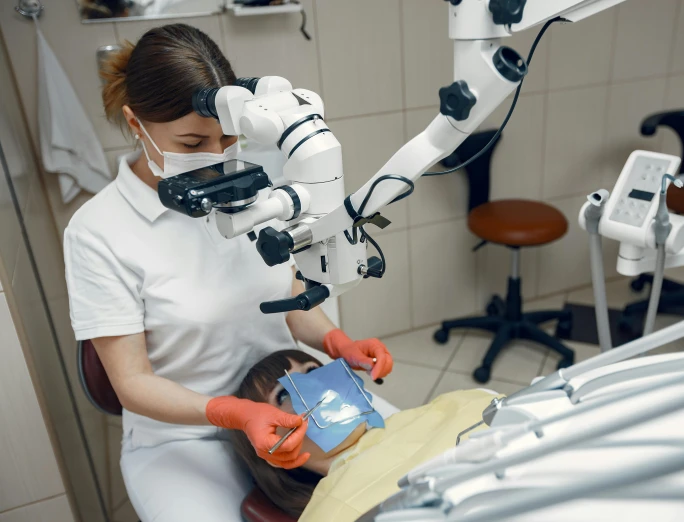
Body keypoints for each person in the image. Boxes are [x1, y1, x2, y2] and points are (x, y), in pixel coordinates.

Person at [63, 23, 393, 522]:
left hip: (291, 399)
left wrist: (337, 343)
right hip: (184, 437)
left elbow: (289, 297)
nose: (218, 159)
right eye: (193, 142)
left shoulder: (253, 186)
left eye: (228, 138)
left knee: (408, 480)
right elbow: (131, 383)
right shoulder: (98, 231)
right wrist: (234, 413)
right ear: (136, 123)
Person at [231, 350, 499, 521]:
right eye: (285, 394)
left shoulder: (444, 406)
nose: (316, 385)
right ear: (271, 446)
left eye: (313, 370)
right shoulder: (329, 512)